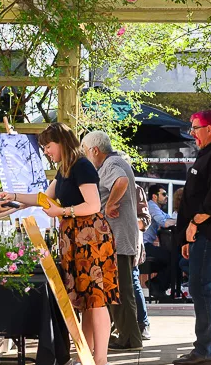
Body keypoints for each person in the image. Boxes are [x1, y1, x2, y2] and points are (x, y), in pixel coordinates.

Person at [0, 123, 119, 365]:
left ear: (62, 143)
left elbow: (94, 205)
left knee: (96, 300)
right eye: (43, 146)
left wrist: (62, 211)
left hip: (90, 238)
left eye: (47, 145)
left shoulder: (82, 166)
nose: (45, 151)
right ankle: (85, 355)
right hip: (76, 238)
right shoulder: (65, 168)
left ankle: (100, 359)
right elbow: (45, 198)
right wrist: (15, 198)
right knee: (86, 301)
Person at [173, 110, 211, 365]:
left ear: (209, 129)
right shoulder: (208, 154)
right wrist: (188, 235)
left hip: (208, 233)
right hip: (204, 234)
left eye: (196, 128)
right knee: (209, 290)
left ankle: (204, 352)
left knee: (201, 289)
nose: (192, 133)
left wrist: (194, 225)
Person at [82, 131, 142, 352]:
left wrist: (110, 205)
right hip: (120, 236)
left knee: (121, 289)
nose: (87, 156)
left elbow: (122, 181)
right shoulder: (117, 161)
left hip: (117, 237)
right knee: (119, 288)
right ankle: (126, 336)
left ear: (95, 150)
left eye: (86, 152)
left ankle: (130, 338)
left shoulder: (111, 163)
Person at [144, 184, 175, 299]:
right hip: (143, 246)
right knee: (172, 258)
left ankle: (157, 286)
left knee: (170, 258)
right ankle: (156, 286)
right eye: (163, 194)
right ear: (154, 196)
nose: (166, 197)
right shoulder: (151, 206)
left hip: (146, 246)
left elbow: (168, 218)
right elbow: (165, 222)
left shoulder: (156, 208)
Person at [134, 183, 152, 340]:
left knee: (133, 282)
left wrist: (126, 218)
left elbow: (145, 220)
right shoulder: (103, 185)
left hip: (130, 244)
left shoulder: (135, 189)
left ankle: (143, 323)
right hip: (108, 245)